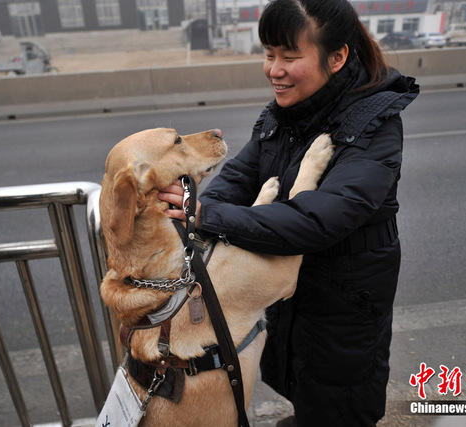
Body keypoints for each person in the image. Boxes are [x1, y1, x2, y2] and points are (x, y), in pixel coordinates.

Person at [159, 0, 419, 425]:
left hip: (344, 298)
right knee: (300, 382)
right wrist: (193, 206)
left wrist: (206, 216)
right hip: (291, 290)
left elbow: (318, 220)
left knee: (340, 402)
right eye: (268, 54)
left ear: (337, 58)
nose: (274, 69)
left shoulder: (376, 123)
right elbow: (238, 179)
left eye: (289, 57)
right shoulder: (284, 113)